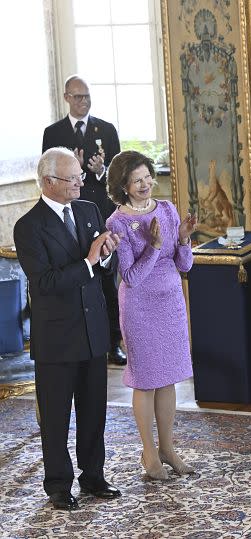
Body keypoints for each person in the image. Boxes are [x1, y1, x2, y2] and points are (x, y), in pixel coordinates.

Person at [13, 147, 122, 510]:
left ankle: (93, 475)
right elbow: (44, 282)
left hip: (92, 331)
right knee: (57, 417)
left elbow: (103, 267)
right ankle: (58, 484)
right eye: (72, 177)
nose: (80, 181)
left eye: (79, 175)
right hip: (57, 337)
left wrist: (106, 255)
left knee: (94, 411)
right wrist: (90, 261)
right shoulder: (28, 226)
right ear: (48, 182)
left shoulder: (89, 210)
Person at [105, 151, 197, 480]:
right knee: (146, 383)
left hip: (170, 303)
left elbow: (184, 265)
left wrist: (184, 238)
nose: (145, 184)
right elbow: (130, 277)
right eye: (137, 180)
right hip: (140, 309)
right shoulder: (117, 222)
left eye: (148, 177)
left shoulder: (168, 210)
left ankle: (168, 448)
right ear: (123, 186)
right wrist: (155, 246)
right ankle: (149, 454)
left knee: (168, 378)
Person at [43, 74, 125, 365]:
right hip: (66, 214)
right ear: (66, 97)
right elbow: (48, 178)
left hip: (98, 212)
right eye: (77, 97)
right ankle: (79, 338)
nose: (83, 101)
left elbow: (118, 176)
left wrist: (100, 171)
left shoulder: (107, 129)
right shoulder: (53, 133)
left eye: (87, 96)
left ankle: (113, 342)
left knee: (107, 279)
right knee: (74, 273)